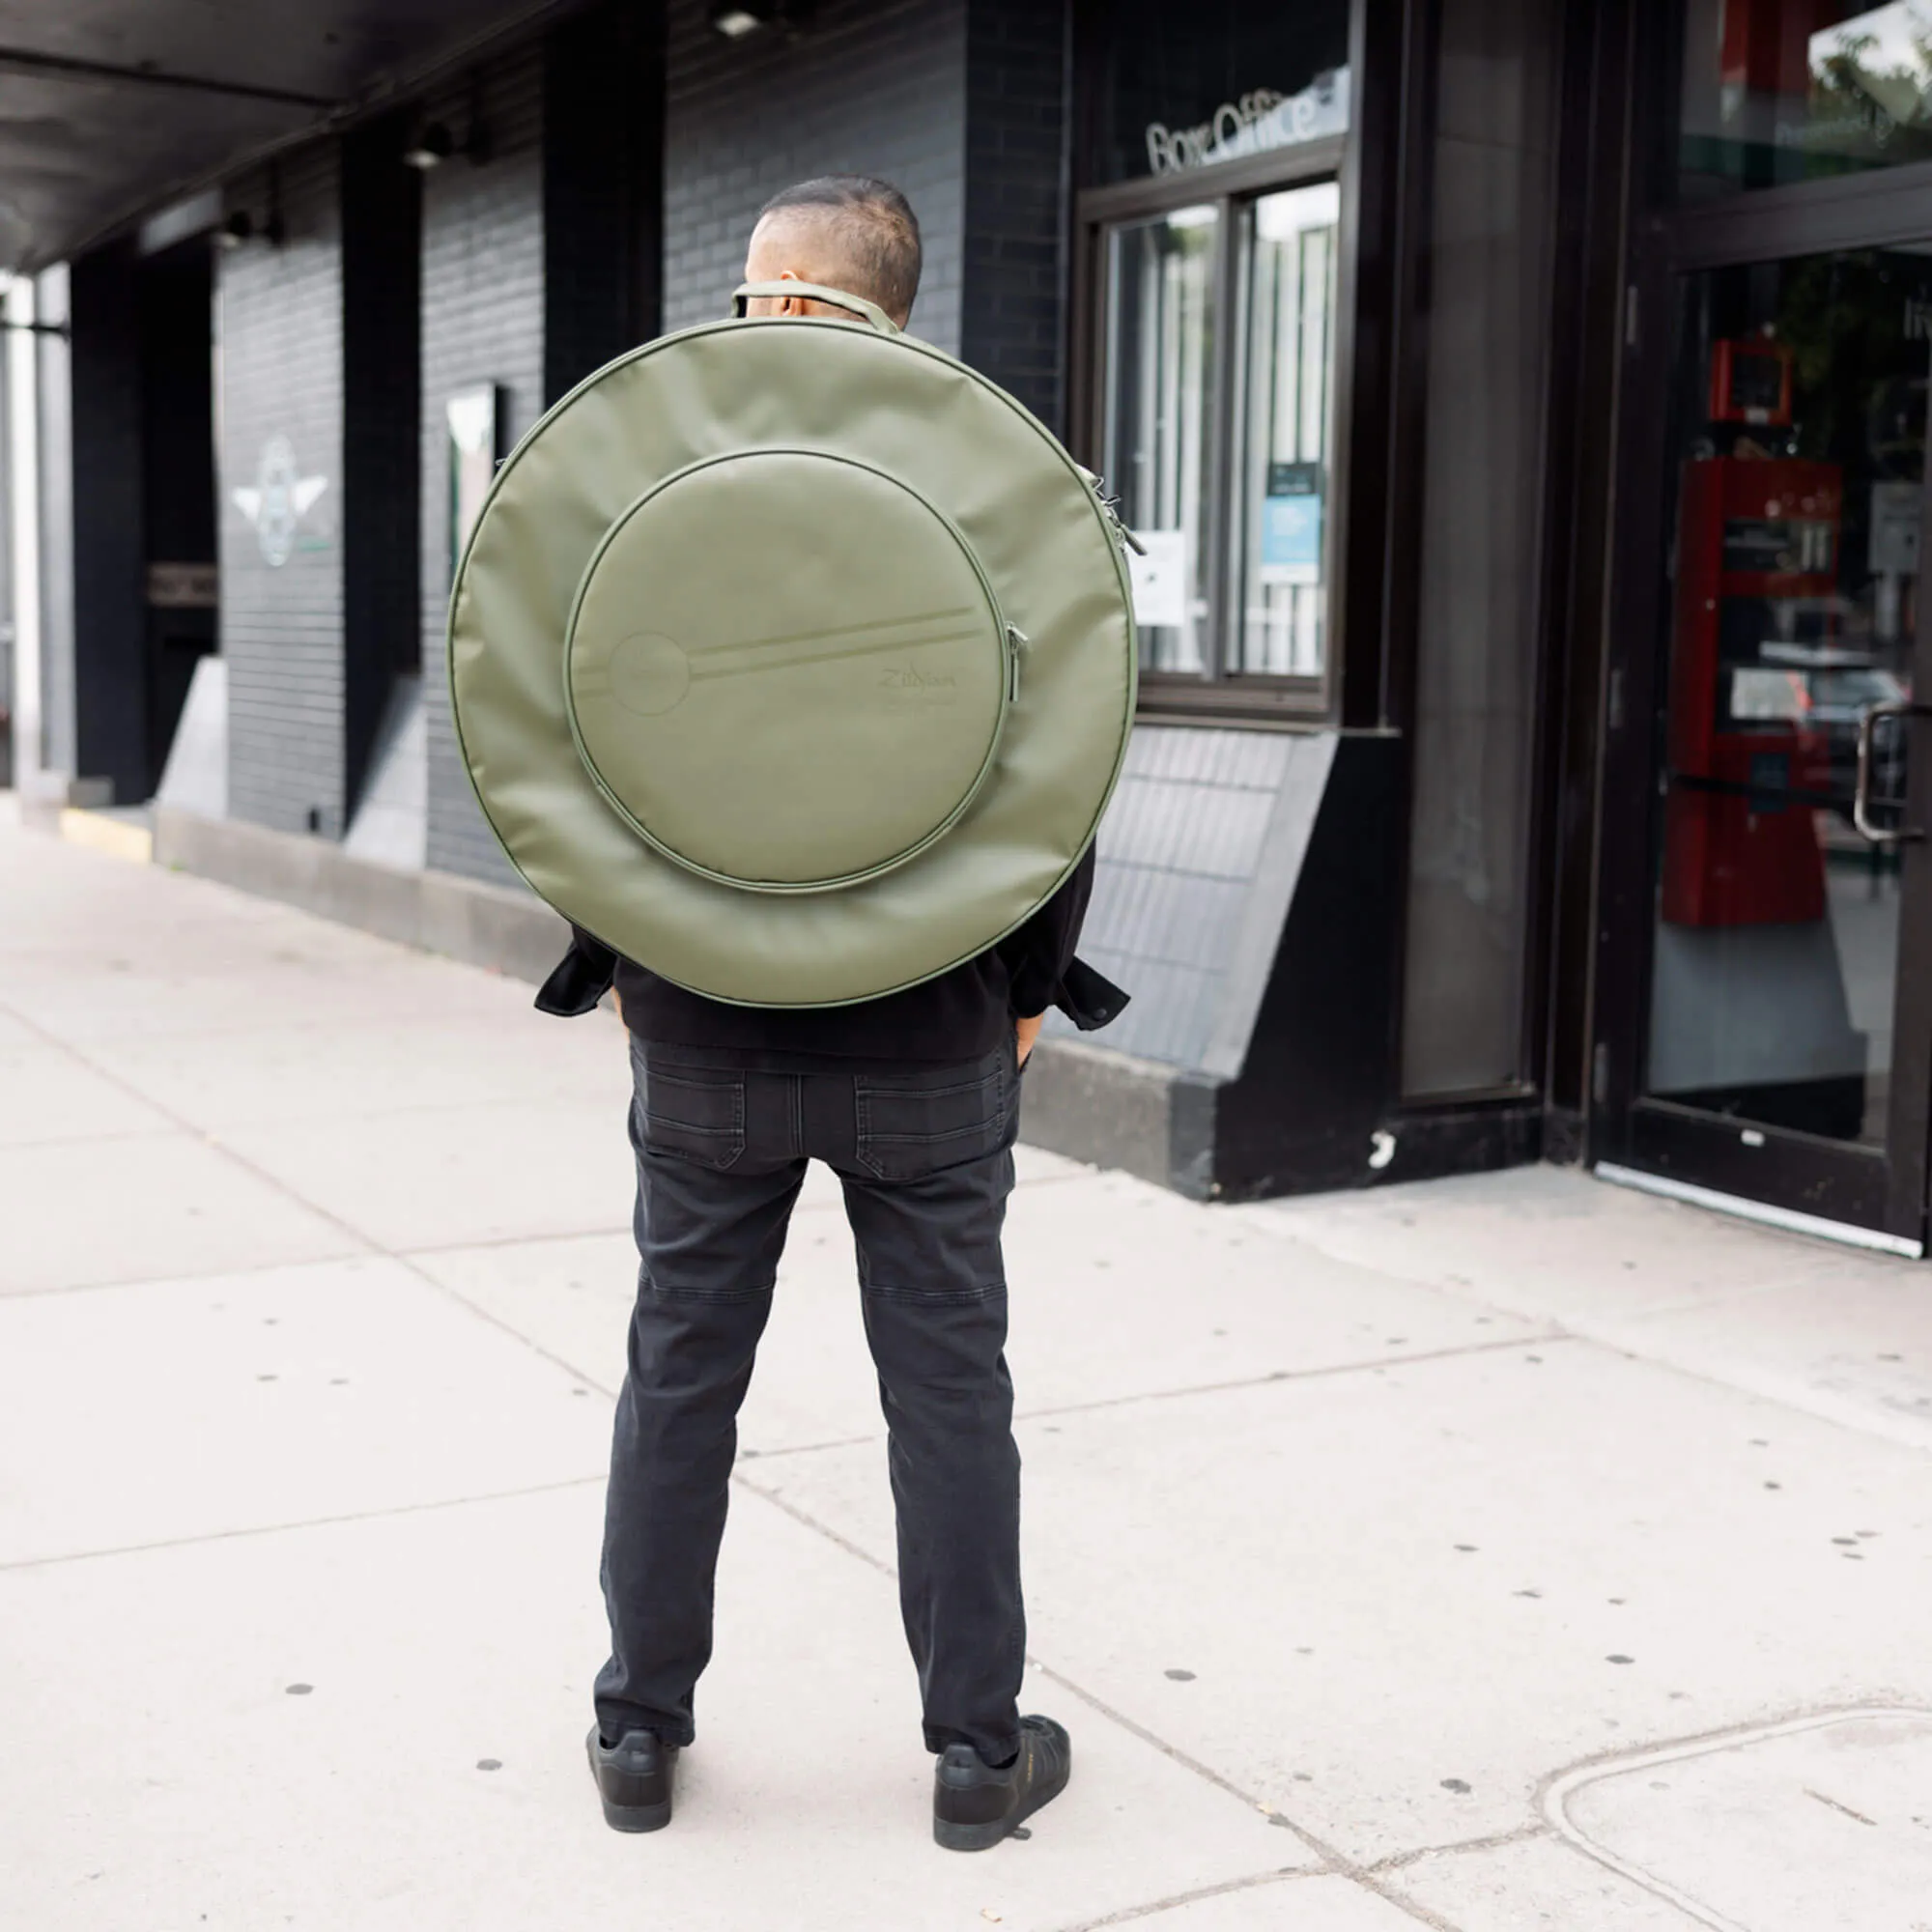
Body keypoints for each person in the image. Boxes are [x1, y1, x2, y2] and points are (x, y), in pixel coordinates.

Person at [535, 174, 1125, 1852]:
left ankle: (638, 1736)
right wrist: (1025, 993)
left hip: (709, 1032)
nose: (739, 309)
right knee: (949, 1394)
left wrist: (627, 965)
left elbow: (568, 742)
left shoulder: (658, 467)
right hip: (929, 1044)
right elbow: (1066, 767)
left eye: (748, 285)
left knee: (679, 1379)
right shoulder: (997, 480)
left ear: (786, 295)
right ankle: (973, 1758)